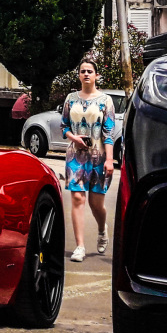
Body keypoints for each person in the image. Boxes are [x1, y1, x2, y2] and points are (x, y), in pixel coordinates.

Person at [60, 60, 116, 262]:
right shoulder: (70, 99)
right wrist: (73, 138)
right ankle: (80, 246)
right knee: (77, 199)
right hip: (75, 156)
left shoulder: (105, 100)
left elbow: (108, 133)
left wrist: (110, 160)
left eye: (89, 71)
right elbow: (64, 125)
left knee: (95, 204)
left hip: (99, 157)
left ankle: (102, 229)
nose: (86, 74)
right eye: (82, 71)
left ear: (96, 76)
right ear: (79, 75)